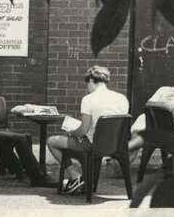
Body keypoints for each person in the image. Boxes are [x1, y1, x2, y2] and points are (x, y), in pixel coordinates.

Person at [46, 65, 130, 194]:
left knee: (52, 141)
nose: (88, 87)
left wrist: (71, 132)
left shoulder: (88, 99)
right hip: (116, 145)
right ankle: (85, 180)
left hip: (92, 145)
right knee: (81, 145)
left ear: (90, 80)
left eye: (87, 84)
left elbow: (83, 130)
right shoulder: (122, 98)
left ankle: (75, 176)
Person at [127, 63, 174, 154]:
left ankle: (120, 152)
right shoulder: (164, 89)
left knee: (142, 136)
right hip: (149, 117)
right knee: (137, 134)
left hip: (168, 121)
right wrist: (166, 105)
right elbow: (148, 103)